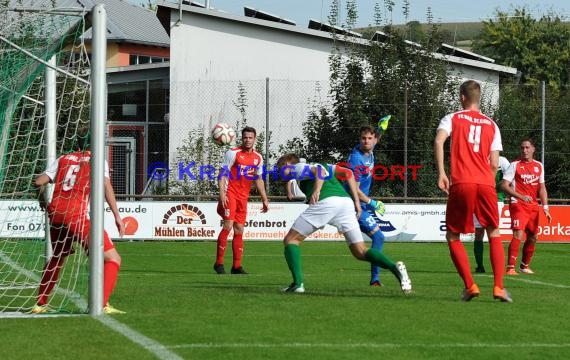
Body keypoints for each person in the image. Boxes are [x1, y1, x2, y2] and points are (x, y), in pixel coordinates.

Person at [276, 153, 411, 294]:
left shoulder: (295, 168)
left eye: (280, 169)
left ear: (286, 164)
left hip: (328, 202)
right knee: (360, 251)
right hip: (346, 203)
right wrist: (357, 202)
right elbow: (347, 173)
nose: (280, 174)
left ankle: (297, 284)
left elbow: (319, 171)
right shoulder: (327, 166)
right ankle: (394, 267)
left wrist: (316, 190)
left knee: (291, 240)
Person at [32, 127, 126, 314]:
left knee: (58, 257)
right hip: (75, 215)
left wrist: (43, 202)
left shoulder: (63, 159)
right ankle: (101, 304)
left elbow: (38, 182)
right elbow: (106, 185)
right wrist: (117, 216)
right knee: (112, 258)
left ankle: (40, 304)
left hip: (56, 214)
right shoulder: (97, 160)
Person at [434, 79, 511, 302]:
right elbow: (495, 163)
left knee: (453, 235)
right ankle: (498, 287)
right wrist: (486, 178)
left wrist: (442, 173)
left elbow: (439, 141)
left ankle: (470, 286)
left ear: (462, 97)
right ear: (478, 98)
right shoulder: (492, 124)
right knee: (493, 231)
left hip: (462, 182)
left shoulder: (453, 118)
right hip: (486, 184)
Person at [214, 126, 269, 274]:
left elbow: (258, 179)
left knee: (239, 229)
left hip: (243, 197)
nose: (248, 140)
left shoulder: (258, 157)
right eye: (245, 137)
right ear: (241, 138)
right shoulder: (232, 153)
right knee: (228, 225)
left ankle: (236, 266)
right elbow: (222, 174)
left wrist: (264, 199)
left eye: (250, 137)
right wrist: (222, 194)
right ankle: (219, 263)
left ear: (254, 139)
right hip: (230, 193)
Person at [500, 138, 552, 275]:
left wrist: (545, 208)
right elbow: (503, 185)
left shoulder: (539, 166)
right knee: (518, 233)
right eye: (522, 148)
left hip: (533, 206)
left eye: (527, 147)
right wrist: (520, 196)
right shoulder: (515, 165)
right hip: (518, 204)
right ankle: (510, 268)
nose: (525, 150)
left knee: (533, 236)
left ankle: (524, 266)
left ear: (533, 149)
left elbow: (542, 188)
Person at [344, 125, 387, 286]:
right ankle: (375, 278)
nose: (366, 141)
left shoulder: (369, 151)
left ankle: (375, 278)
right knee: (379, 237)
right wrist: (372, 202)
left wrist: (381, 128)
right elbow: (353, 188)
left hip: (359, 204)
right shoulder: (357, 159)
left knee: (371, 242)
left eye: (370, 138)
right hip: (353, 205)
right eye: (363, 138)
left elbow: (376, 136)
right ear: (359, 140)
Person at [472, 155, 510, 273]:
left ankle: (497, 268)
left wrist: (493, 186)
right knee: (478, 232)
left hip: (495, 200)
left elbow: (509, 179)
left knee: (493, 232)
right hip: (477, 199)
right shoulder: (475, 158)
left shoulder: (502, 161)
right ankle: (480, 266)